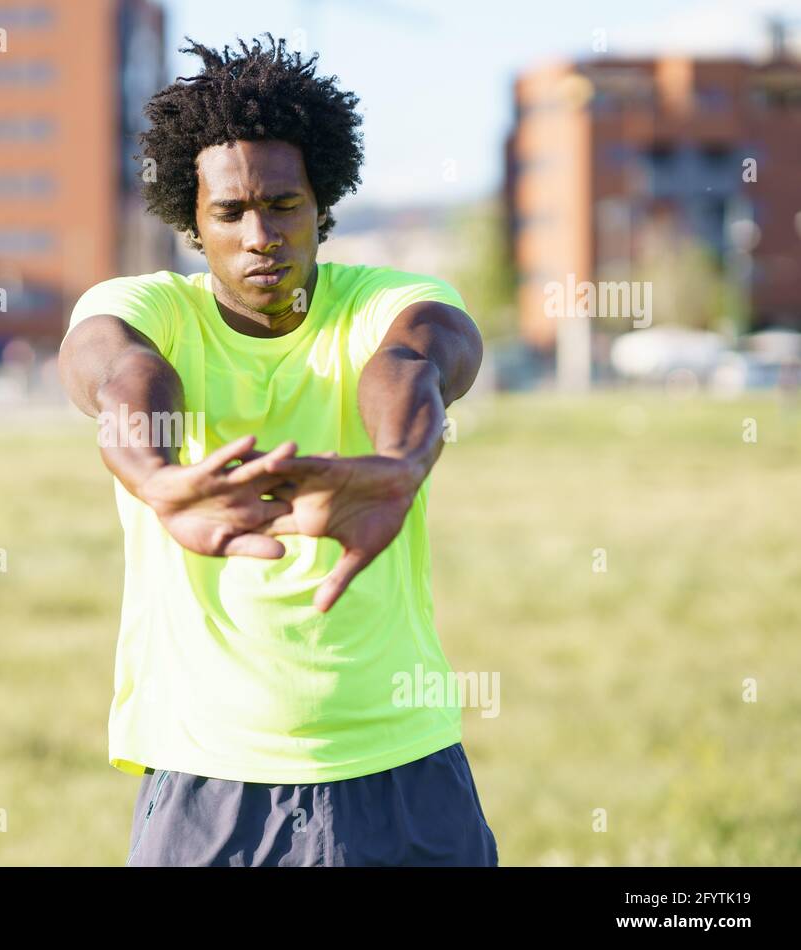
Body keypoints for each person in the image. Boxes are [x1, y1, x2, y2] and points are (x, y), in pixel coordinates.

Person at [57, 33, 496, 867]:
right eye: (231, 212)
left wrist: (402, 462)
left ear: (320, 204)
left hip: (399, 765)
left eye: (284, 205)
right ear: (192, 221)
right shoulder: (146, 307)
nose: (261, 234)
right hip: (206, 779)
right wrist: (156, 478)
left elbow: (417, 357)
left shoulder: (388, 299)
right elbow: (118, 370)